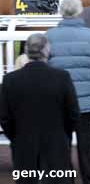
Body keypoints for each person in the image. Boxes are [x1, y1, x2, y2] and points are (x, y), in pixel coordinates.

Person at [47, 0, 90, 184]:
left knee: (62, 147)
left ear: (61, 12)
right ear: (79, 12)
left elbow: (41, 68)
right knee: (87, 149)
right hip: (85, 104)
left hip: (59, 103)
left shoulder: (49, 37)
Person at [0, 33, 80, 184]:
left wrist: (17, 138)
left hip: (23, 144)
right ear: (47, 50)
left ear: (26, 51)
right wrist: (64, 135)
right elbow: (73, 113)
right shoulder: (62, 77)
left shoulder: (10, 80)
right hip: (56, 143)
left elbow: (5, 117)